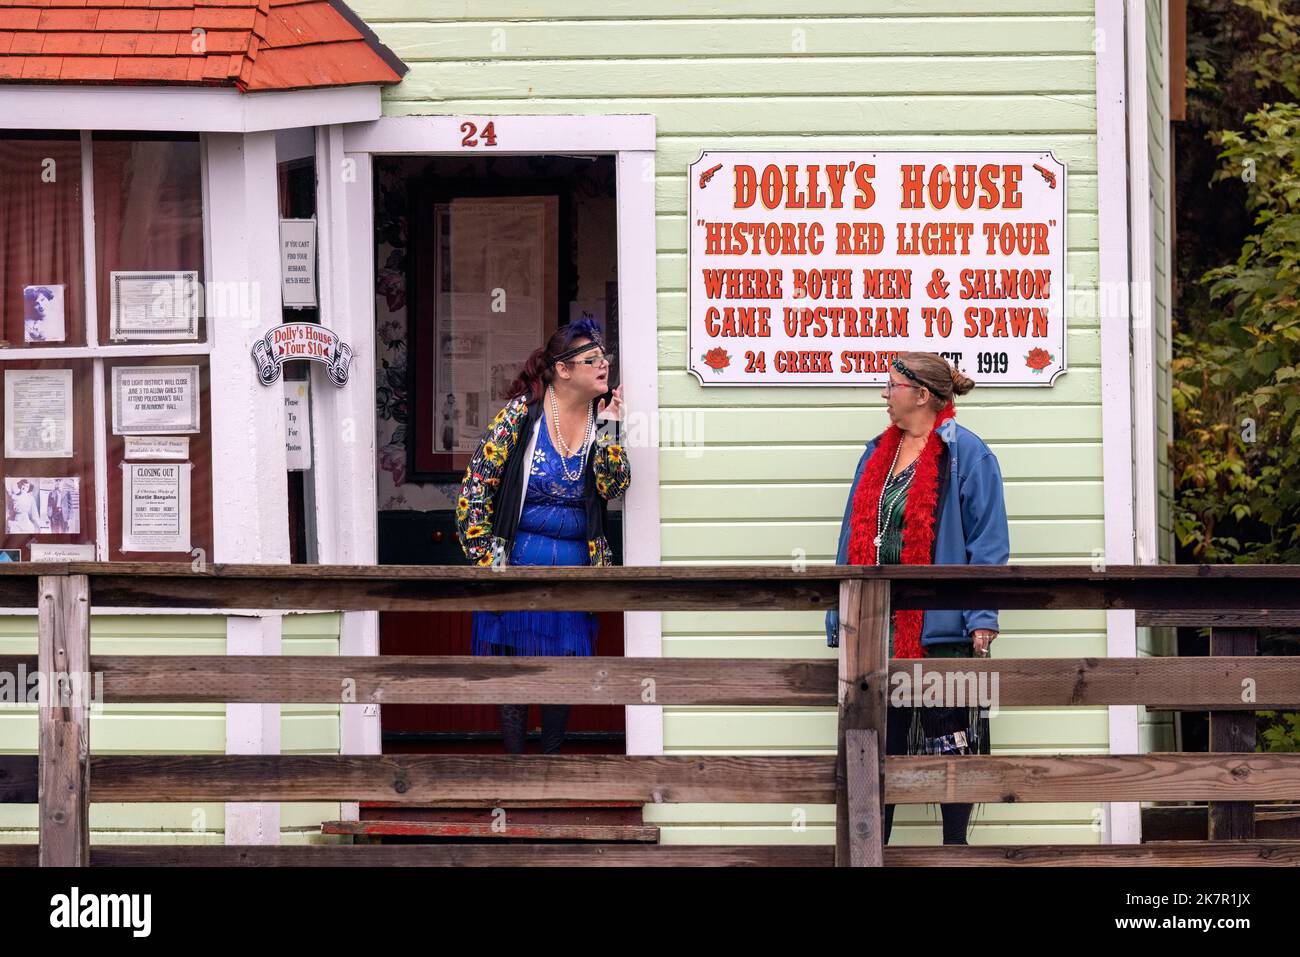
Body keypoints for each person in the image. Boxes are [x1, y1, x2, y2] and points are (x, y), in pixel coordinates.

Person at [826, 352, 1010, 845]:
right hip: (876, 627)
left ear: (921, 395)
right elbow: (851, 536)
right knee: (875, 745)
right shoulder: (875, 454)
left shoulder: (966, 454)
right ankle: (871, 849)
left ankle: (955, 851)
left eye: (891, 386)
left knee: (951, 745)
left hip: (941, 628)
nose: (885, 395)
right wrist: (838, 615)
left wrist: (982, 618)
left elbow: (987, 543)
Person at [456, 317, 630, 754]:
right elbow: (475, 490)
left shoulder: (601, 419)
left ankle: (549, 764)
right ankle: (516, 770)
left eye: (603, 357)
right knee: (513, 676)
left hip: (575, 575)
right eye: (591, 359)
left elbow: (615, 486)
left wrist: (610, 429)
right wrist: (490, 566)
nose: (603, 365)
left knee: (561, 677)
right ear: (562, 369)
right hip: (516, 573)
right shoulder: (522, 415)